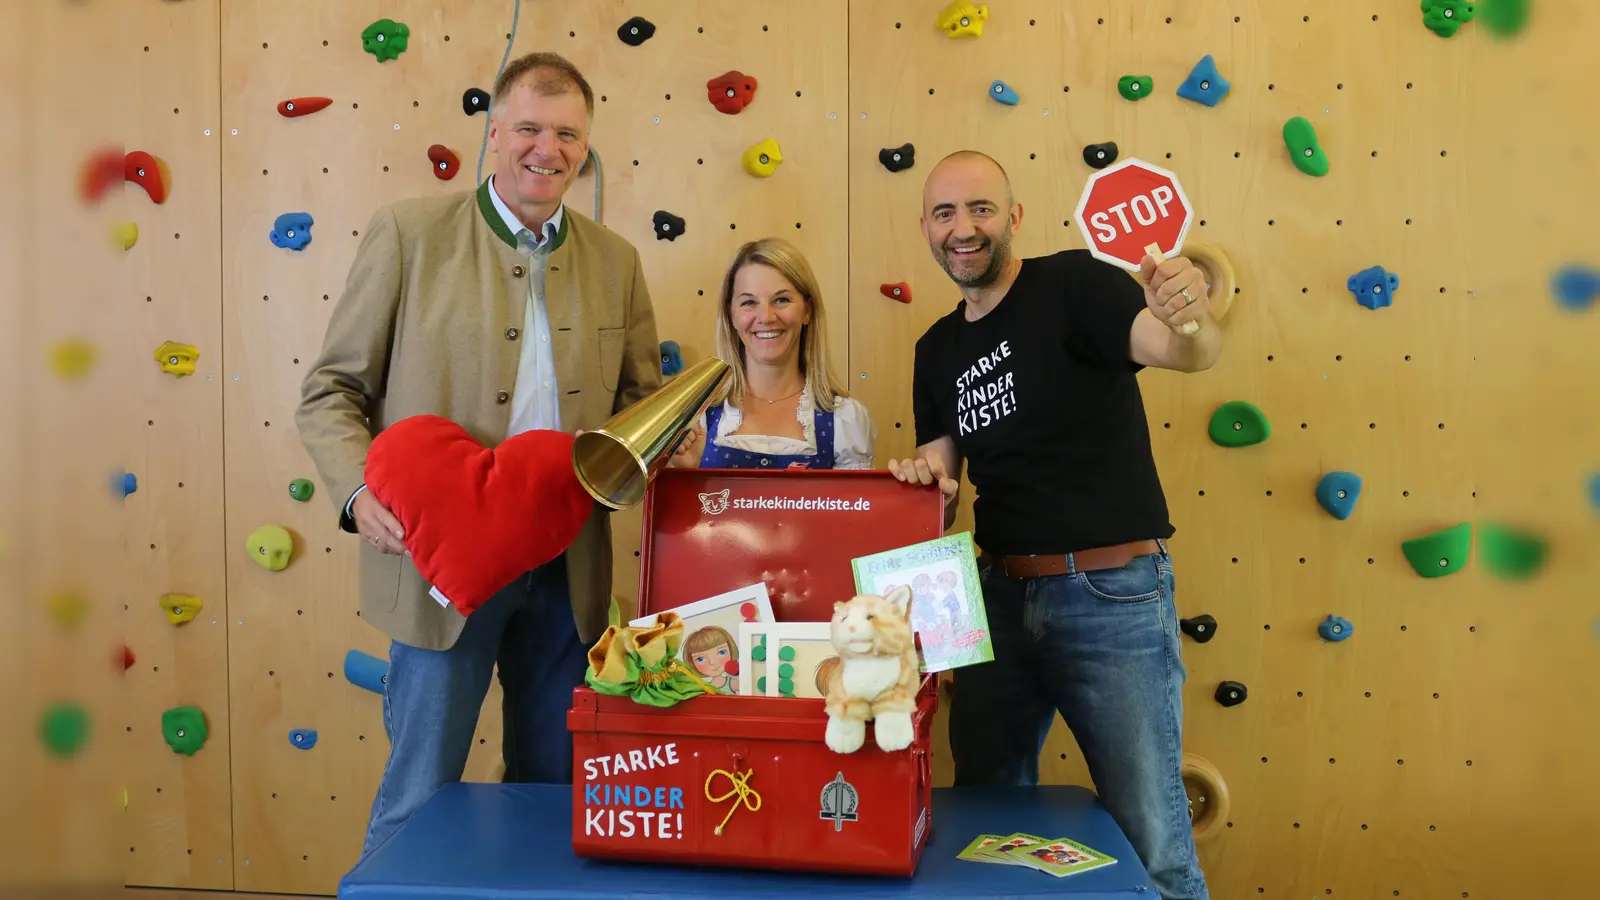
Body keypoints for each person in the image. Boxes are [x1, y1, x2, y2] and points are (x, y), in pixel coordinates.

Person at [294, 51, 661, 857]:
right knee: (418, 795)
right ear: (495, 134)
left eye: (567, 133)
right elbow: (330, 391)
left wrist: (666, 441)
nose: (547, 149)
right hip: (436, 571)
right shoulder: (406, 234)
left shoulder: (618, 261)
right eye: (529, 127)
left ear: (586, 145)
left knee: (556, 797)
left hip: (569, 575)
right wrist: (359, 495)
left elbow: (638, 408)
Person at [885, 149, 1220, 900]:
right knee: (985, 830)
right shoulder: (936, 350)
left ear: (1014, 217)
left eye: (979, 210)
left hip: (1112, 594)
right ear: (926, 228)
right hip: (992, 603)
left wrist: (1191, 317)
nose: (963, 229)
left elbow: (1184, 351)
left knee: (1154, 842)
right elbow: (940, 490)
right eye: (945, 214)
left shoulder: (1074, 283)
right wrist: (914, 484)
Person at [668, 237, 874, 471]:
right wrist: (685, 472)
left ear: (807, 310)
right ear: (731, 314)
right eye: (748, 303)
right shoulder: (698, 417)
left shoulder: (843, 420)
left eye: (781, 300)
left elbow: (852, 506)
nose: (766, 317)